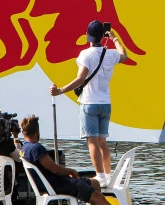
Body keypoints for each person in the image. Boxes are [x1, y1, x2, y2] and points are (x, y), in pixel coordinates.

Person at [19, 115, 144, 205]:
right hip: (58, 184)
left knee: (94, 183)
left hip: (52, 183)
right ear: (37, 132)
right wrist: (70, 171)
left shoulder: (24, 148)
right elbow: (55, 169)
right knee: (97, 197)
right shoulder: (36, 148)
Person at [50, 20, 128, 186]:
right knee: (102, 142)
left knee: (92, 141)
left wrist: (61, 91)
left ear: (88, 36)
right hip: (106, 103)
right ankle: (107, 175)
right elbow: (124, 55)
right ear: (103, 35)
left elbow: (81, 78)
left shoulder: (86, 55)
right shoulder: (111, 54)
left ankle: (100, 176)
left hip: (89, 102)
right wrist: (114, 38)